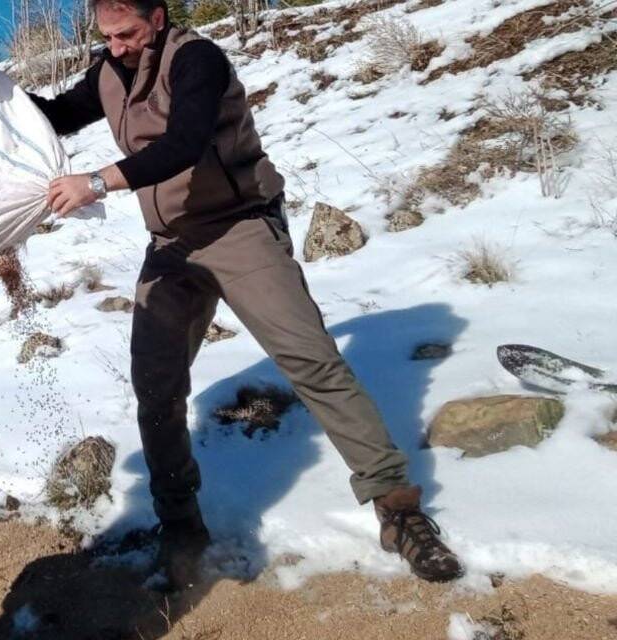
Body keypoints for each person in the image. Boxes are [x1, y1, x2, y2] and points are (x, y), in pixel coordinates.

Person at [27, 0, 463, 588]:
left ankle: (399, 510)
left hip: (238, 228)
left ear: (158, 17)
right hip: (171, 243)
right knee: (155, 385)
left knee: (311, 361)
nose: (118, 47)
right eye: (107, 36)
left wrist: (99, 182)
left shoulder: (196, 59)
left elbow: (184, 143)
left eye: (127, 34)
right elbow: (56, 116)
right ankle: (180, 525)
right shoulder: (109, 70)